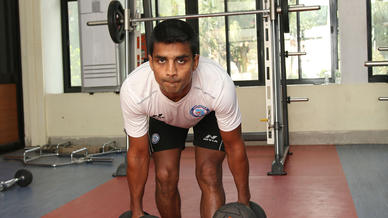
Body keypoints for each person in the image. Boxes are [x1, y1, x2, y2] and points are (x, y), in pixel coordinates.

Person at [120, 19, 251, 218]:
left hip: (207, 114)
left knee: (208, 173)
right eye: (162, 60)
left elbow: (235, 146)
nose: (171, 72)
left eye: (181, 60)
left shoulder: (218, 85)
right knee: (165, 177)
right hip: (165, 117)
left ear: (195, 61)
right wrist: (136, 211)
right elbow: (138, 154)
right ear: (151, 62)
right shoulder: (135, 89)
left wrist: (244, 203)